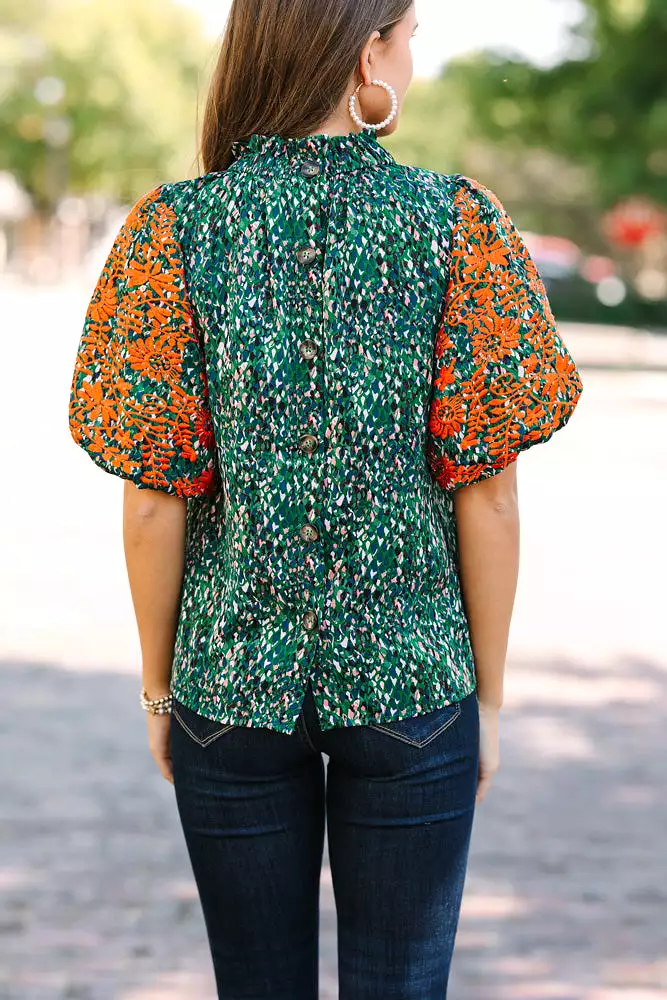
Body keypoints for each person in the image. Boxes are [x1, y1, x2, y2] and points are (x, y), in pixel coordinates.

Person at [68, 1, 583, 996]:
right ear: (367, 52)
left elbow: (150, 500)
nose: (416, 56)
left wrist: (156, 690)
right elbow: (491, 495)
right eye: (414, 35)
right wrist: (486, 694)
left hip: (228, 684)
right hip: (413, 684)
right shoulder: (458, 221)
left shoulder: (174, 227)